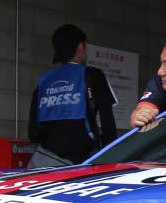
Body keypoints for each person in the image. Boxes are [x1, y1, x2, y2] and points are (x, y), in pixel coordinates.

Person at [28, 24, 116, 164]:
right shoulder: (92, 75)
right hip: (81, 165)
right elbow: (108, 124)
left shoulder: (43, 82)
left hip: (46, 163)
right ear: (80, 47)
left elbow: (33, 133)